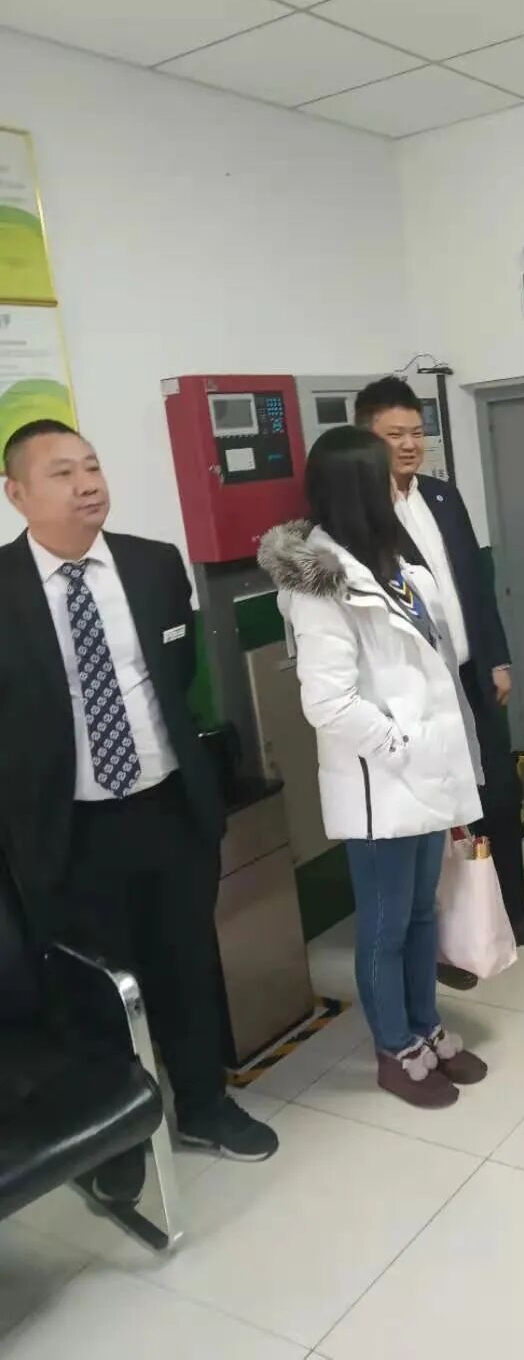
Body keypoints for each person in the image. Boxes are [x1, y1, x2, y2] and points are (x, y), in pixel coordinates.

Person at [0, 419, 278, 1199]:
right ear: (16, 492)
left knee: (186, 964)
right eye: (62, 472)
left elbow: (174, 675)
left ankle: (204, 1105)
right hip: (66, 828)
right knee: (90, 989)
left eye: (92, 465)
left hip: (167, 811)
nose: (87, 483)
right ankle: (114, 1133)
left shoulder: (154, 565)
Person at [258, 427, 488, 1109]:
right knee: (385, 926)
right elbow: (326, 701)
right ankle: (395, 1048)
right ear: (358, 488)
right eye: (386, 477)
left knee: (420, 914)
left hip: (423, 775)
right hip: (380, 785)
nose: (398, 485)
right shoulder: (322, 585)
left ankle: (425, 1024)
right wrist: (400, 745)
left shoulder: (392, 563)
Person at [354, 376, 524, 985]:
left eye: (416, 433)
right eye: (394, 435)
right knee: (438, 817)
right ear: (366, 439)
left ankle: (515, 914)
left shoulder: (441, 496)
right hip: (417, 696)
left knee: (499, 800)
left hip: (471, 678)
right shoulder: (360, 517)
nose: (410, 445)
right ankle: (443, 944)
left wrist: (496, 658)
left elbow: (475, 587)